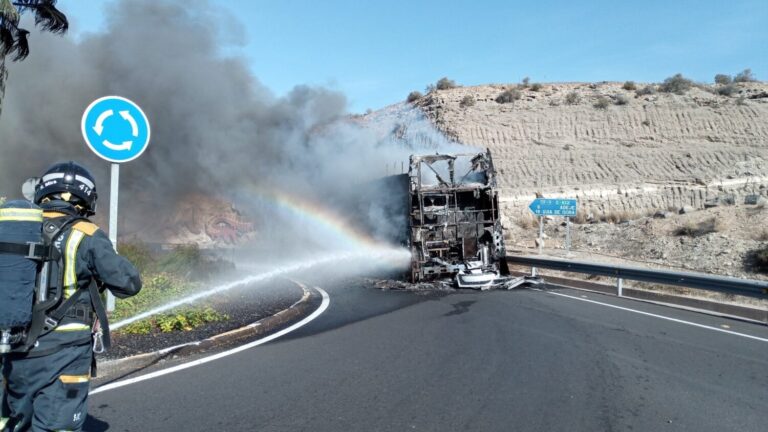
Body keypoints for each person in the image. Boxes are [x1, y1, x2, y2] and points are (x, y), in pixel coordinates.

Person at [0, 161, 142, 432]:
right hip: (65, 352)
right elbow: (128, 284)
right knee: (57, 426)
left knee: (17, 423)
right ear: (86, 198)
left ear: (43, 192)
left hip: (15, 349)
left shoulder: (17, 229)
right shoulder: (86, 234)